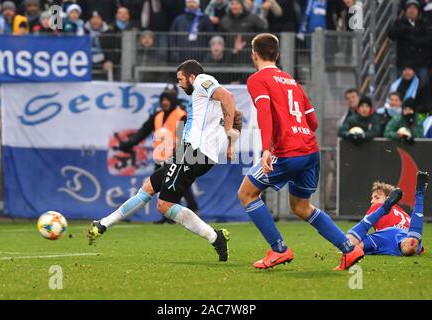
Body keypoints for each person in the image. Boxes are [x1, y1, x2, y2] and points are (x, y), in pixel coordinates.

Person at [88, 60, 242, 262]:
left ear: (192, 77)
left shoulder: (203, 80)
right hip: (193, 154)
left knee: (164, 205)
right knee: (148, 187)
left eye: (180, 79)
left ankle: (215, 237)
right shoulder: (205, 98)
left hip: (193, 153)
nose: (179, 84)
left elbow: (228, 97)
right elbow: (237, 113)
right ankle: (103, 224)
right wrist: (230, 143)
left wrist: (229, 131)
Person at [238, 33, 364, 271]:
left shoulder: (257, 79)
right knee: (301, 207)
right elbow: (312, 122)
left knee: (247, 193)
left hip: (287, 152)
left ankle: (279, 249)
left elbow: (264, 113)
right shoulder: (291, 81)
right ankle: (349, 248)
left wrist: (266, 149)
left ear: (254, 55)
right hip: (310, 150)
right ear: (277, 55)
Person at [114, 89, 200, 224]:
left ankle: (189, 209)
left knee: (178, 184)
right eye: (162, 100)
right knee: (160, 185)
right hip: (160, 157)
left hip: (177, 156)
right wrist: (129, 144)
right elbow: (143, 131)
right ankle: (170, 215)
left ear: (173, 101)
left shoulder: (181, 115)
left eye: (167, 99)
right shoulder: (157, 115)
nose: (164, 102)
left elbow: (185, 137)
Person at [346, 172, 428, 257]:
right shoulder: (404, 213)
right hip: (409, 237)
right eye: (372, 198)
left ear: (391, 198)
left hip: (388, 235)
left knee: (348, 244)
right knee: (409, 246)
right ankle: (419, 195)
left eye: (377, 197)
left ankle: (385, 208)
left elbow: (360, 232)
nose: (372, 201)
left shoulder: (377, 206)